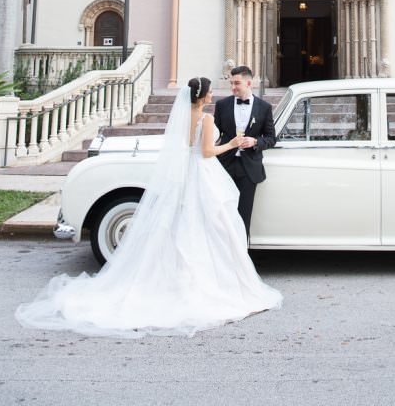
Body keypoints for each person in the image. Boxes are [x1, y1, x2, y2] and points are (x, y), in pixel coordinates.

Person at [15, 77, 282, 338]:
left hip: (191, 173)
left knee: (187, 223)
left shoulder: (186, 115)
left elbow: (189, 146)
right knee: (212, 223)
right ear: (203, 96)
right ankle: (216, 279)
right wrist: (232, 144)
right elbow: (206, 152)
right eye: (211, 91)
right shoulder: (208, 117)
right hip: (205, 172)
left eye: (233, 83)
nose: (216, 93)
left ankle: (181, 276)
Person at [213, 65, 276, 238]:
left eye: (237, 83)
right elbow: (215, 135)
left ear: (249, 83)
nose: (233, 87)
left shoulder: (264, 107)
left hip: (249, 169)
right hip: (224, 166)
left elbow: (271, 138)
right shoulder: (222, 105)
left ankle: (241, 252)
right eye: (231, 83)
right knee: (222, 215)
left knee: (243, 215)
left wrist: (255, 141)